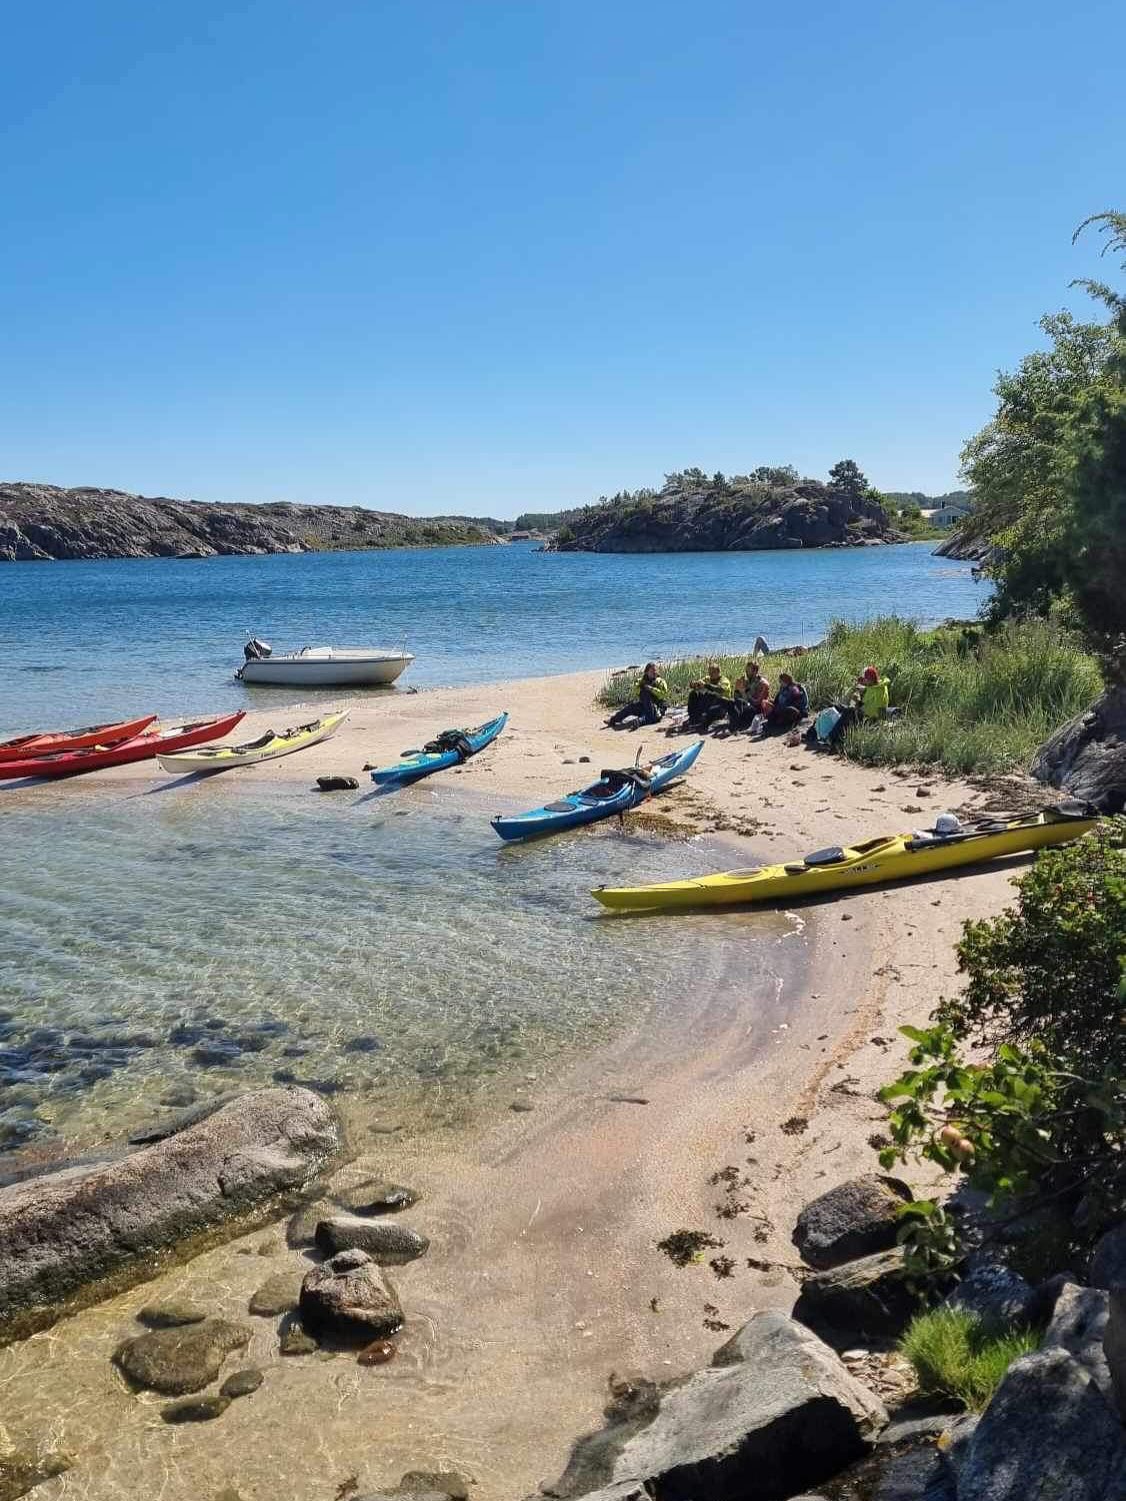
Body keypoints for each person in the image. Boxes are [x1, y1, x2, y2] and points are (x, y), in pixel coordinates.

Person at [606, 663, 669, 728]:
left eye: (655, 670)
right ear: (647, 672)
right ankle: (613, 720)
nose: (654, 672)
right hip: (644, 706)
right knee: (630, 708)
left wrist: (651, 689)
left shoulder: (661, 682)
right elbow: (636, 691)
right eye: (652, 671)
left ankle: (638, 721)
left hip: (657, 708)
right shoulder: (642, 681)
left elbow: (663, 695)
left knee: (649, 716)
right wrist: (641, 686)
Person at [686, 661, 732, 730]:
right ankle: (693, 717)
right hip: (708, 704)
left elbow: (720, 689)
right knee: (693, 694)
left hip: (721, 706)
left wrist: (706, 685)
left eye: (713, 672)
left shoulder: (724, 681)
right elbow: (699, 683)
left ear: (718, 672)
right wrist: (694, 684)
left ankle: (702, 718)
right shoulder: (708, 679)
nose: (711, 675)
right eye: (709, 673)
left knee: (710, 696)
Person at [726, 661, 771, 732]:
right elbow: (737, 698)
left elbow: (757, 703)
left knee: (740, 705)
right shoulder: (747, 682)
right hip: (746, 706)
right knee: (730, 702)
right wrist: (737, 689)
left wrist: (743, 692)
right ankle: (734, 724)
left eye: (748, 671)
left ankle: (733, 727)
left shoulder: (762, 683)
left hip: (757, 710)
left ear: (755, 671)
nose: (746, 673)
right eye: (746, 671)